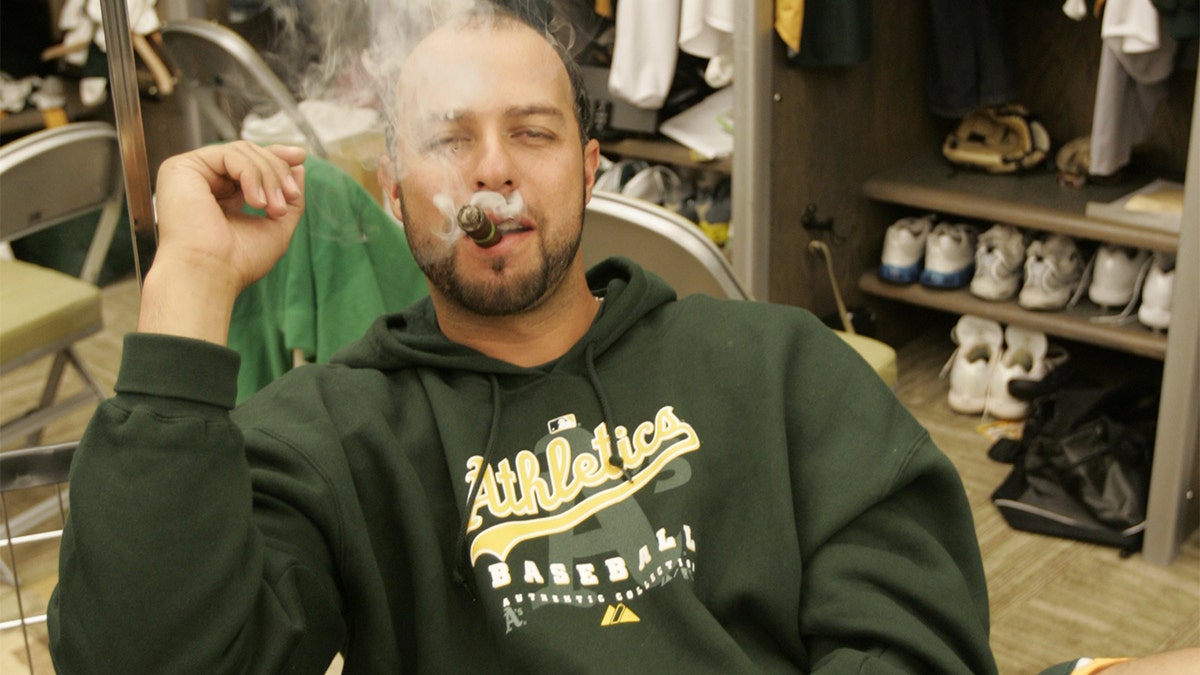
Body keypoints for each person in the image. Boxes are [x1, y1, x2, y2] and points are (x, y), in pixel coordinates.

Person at [49, 4, 998, 672]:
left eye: (533, 134)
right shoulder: (328, 438)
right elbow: (144, 659)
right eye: (449, 139)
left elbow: (915, 635)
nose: (492, 172)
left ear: (589, 171)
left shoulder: (779, 364)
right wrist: (186, 287)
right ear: (391, 189)